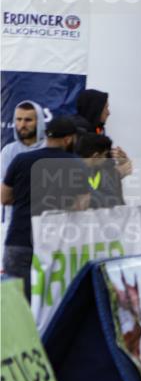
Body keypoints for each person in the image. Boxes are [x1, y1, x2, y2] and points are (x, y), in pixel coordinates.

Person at [1, 116, 91, 299]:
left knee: (16, 304)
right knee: (50, 305)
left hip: (19, 241)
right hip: (56, 244)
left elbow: (4, 197)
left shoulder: (21, 159)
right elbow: (81, 205)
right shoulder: (76, 164)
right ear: (68, 139)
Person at [75, 132, 125, 208]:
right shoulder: (71, 172)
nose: (106, 159)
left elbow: (115, 201)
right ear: (95, 156)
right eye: (104, 155)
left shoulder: (103, 172)